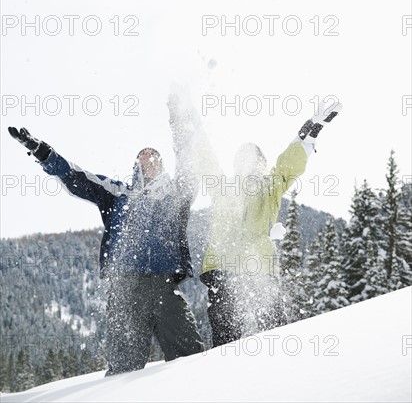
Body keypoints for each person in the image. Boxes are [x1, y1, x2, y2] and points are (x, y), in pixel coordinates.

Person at [8, 95, 204, 375]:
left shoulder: (175, 195)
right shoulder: (118, 194)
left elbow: (187, 164)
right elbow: (77, 177)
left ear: (161, 163)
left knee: (189, 358)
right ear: (135, 165)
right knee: (123, 370)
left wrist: (178, 120)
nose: (148, 160)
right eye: (142, 157)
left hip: (163, 285)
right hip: (125, 289)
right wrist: (42, 152)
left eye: (154, 156)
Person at [199, 101, 343, 347]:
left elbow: (287, 167)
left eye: (256, 159)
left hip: (259, 267)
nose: (250, 164)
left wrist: (307, 136)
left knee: (274, 329)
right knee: (225, 337)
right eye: (244, 159)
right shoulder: (223, 187)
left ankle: (278, 378)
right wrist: (189, 127)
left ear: (261, 163)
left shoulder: (270, 187)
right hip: (222, 268)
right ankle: (224, 380)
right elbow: (205, 160)